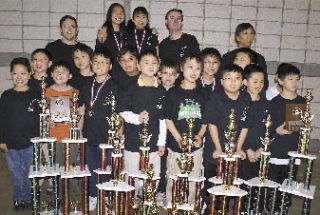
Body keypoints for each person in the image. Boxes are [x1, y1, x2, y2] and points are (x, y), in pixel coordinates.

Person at [118, 50, 167, 195]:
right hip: (133, 140)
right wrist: (137, 118)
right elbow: (122, 111)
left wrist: (161, 142)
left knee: (152, 176)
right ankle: (130, 202)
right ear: (138, 65)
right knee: (131, 175)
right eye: (146, 63)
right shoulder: (130, 87)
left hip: (153, 144)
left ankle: (148, 201)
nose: (150, 66)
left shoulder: (161, 90)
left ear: (158, 66)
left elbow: (163, 119)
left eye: (154, 63)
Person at [78, 47, 119, 211]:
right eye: (96, 61)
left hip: (107, 135)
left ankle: (108, 197)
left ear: (110, 66)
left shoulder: (115, 85)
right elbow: (81, 109)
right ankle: (93, 195)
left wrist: (118, 135)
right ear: (92, 64)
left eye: (104, 62)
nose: (99, 65)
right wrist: (79, 132)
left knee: (107, 168)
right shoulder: (86, 83)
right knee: (92, 167)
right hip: (89, 134)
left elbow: (119, 114)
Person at [164, 53, 207, 205]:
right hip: (176, 145)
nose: (194, 71)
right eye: (190, 67)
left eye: (198, 68)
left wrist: (200, 135)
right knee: (173, 177)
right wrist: (178, 138)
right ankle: (171, 205)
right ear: (182, 68)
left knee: (193, 179)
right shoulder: (173, 93)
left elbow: (206, 120)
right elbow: (168, 119)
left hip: (195, 147)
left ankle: (191, 206)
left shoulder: (203, 93)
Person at [0, 57, 39, 210]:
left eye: (23, 73)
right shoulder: (6, 95)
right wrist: (1, 140)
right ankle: (19, 198)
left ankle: (30, 197)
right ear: (11, 74)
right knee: (16, 173)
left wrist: (39, 138)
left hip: (30, 143)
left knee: (30, 172)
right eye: (15, 73)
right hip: (11, 143)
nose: (19, 77)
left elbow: (38, 120)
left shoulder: (35, 95)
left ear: (29, 74)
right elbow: (2, 118)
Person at [268, 63, 305, 212]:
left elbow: (302, 126)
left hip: (293, 152)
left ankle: (284, 210)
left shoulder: (302, 102)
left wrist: (305, 131)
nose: (294, 83)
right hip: (277, 152)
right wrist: (276, 130)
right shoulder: (274, 103)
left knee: (288, 188)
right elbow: (266, 130)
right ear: (280, 81)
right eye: (290, 79)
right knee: (274, 187)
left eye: (297, 79)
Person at [45, 61, 79, 197]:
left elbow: (78, 115)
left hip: (70, 137)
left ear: (70, 75)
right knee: (57, 167)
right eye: (56, 71)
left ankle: (74, 197)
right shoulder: (47, 91)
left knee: (71, 167)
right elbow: (44, 113)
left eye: (63, 71)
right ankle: (58, 196)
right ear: (52, 74)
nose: (59, 73)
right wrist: (47, 120)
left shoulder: (75, 92)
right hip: (54, 136)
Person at [240, 64, 269, 180]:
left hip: (260, 151)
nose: (259, 85)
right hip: (242, 151)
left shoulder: (266, 104)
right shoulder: (239, 102)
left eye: (261, 82)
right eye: (255, 81)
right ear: (245, 82)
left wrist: (262, 148)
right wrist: (247, 150)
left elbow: (269, 130)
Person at [220, 23, 268, 89]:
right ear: (237, 38)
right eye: (245, 33)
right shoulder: (228, 57)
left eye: (252, 33)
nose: (249, 37)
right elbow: (221, 78)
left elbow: (264, 82)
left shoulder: (259, 58)